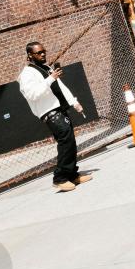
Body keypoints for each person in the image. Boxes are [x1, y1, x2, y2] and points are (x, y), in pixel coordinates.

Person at [18, 42, 91, 192]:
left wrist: (74, 102)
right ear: (30, 55)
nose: (43, 54)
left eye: (44, 51)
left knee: (70, 142)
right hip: (50, 113)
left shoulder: (46, 68)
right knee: (65, 143)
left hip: (60, 109)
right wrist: (50, 78)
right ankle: (60, 178)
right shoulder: (27, 74)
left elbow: (61, 87)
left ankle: (72, 175)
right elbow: (32, 95)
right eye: (39, 53)